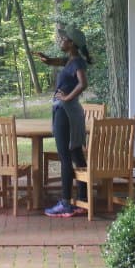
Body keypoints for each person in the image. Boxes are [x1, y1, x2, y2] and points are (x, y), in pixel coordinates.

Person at [34, 26, 92, 218]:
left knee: (65, 156)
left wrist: (67, 98)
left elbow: (83, 84)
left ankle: (66, 203)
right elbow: (58, 61)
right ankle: (83, 199)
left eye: (63, 39)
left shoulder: (76, 63)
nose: (61, 41)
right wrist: (47, 59)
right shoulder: (71, 60)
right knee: (75, 153)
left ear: (72, 43)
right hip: (69, 112)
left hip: (65, 112)